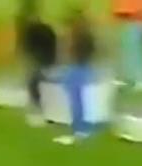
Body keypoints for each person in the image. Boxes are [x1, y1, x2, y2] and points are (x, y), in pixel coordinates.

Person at [54, 9, 97, 145]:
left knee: (76, 100)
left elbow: (69, 53)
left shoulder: (77, 37)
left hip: (77, 69)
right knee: (81, 99)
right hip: (85, 68)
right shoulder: (87, 35)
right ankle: (83, 129)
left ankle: (80, 131)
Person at [18, 0, 57, 125]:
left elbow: (27, 49)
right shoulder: (45, 28)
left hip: (42, 62)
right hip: (47, 61)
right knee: (39, 82)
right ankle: (42, 107)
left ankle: (38, 109)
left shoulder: (31, 30)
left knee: (34, 82)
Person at [112, 0, 142, 92]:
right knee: (126, 52)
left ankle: (141, 80)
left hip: (134, 20)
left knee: (135, 52)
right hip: (128, 20)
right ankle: (127, 79)